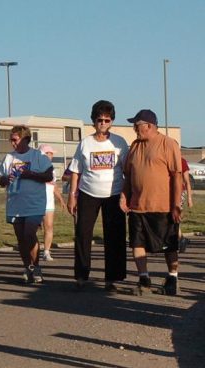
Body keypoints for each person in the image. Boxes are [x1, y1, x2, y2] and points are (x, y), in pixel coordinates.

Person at [67, 100, 129, 291]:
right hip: (88, 193)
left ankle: (112, 279)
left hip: (114, 193)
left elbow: (127, 171)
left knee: (114, 237)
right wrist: (72, 195)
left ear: (112, 121)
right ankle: (81, 276)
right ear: (93, 121)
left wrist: (125, 195)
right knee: (83, 235)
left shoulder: (119, 143)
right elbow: (76, 171)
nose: (103, 123)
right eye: (99, 120)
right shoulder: (85, 143)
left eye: (107, 120)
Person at [120, 109, 182, 296]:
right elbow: (129, 176)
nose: (134, 129)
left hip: (162, 206)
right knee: (137, 243)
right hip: (138, 206)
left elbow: (176, 176)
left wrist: (176, 204)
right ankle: (144, 279)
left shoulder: (167, 143)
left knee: (168, 246)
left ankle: (172, 278)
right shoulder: (135, 146)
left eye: (136, 125)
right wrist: (124, 196)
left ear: (149, 125)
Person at [0, 125, 53, 284]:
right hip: (15, 203)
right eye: (11, 140)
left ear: (26, 139)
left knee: (29, 233)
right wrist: (4, 179)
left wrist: (31, 174)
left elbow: (49, 175)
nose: (12, 143)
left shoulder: (38, 156)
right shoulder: (9, 157)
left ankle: (36, 266)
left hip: (34, 203)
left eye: (15, 140)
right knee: (21, 238)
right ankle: (27, 266)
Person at [38, 144, 66, 262]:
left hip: (49, 202)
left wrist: (60, 199)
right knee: (34, 228)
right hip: (37, 201)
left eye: (52, 153)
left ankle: (46, 251)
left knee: (48, 226)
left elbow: (54, 186)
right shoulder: (36, 166)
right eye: (49, 153)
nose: (52, 155)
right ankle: (33, 250)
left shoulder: (52, 169)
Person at [178, 157, 193, 253]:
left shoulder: (181, 161)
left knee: (173, 216)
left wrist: (189, 199)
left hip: (179, 192)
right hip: (166, 192)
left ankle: (181, 239)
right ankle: (181, 238)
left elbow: (187, 182)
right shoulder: (165, 159)